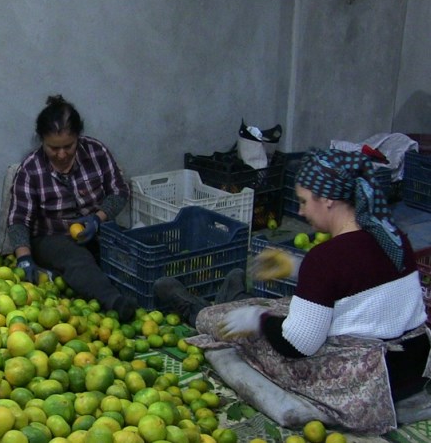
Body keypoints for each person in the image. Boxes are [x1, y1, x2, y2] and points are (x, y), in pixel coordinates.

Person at [165, 148, 430, 433]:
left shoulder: (327, 258)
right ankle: (236, 297)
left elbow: (297, 345)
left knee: (232, 323)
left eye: (304, 202)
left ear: (327, 199)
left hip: (366, 381)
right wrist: (296, 266)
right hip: (411, 366)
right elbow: (356, 283)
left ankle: (194, 308)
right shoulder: (393, 237)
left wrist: (258, 321)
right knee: (284, 307)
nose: (301, 212)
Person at [6, 94, 138, 321]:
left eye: (68, 146)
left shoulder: (96, 153)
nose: (61, 154)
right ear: (42, 141)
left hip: (98, 229)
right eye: (53, 148)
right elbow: (18, 220)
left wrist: (98, 218)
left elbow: (119, 191)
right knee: (76, 259)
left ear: (78, 137)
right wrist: (24, 258)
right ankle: (115, 304)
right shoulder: (30, 170)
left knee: (130, 254)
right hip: (51, 238)